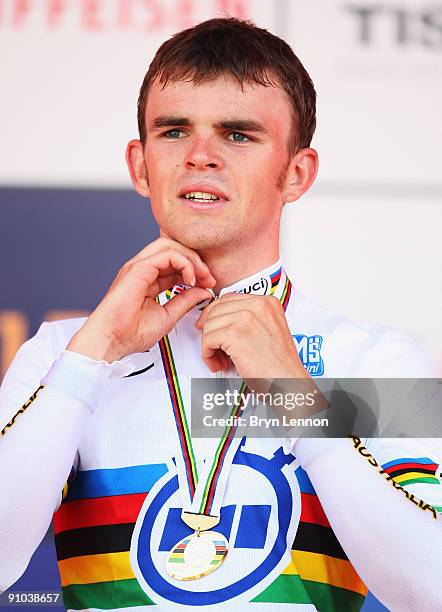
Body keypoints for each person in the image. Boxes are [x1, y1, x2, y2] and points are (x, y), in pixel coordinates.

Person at [0, 16, 441, 612]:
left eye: (238, 135)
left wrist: (296, 397)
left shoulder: (372, 359)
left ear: (296, 173)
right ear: (139, 164)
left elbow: (431, 589)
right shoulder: (62, 356)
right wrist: (93, 351)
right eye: (174, 131)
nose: (200, 156)